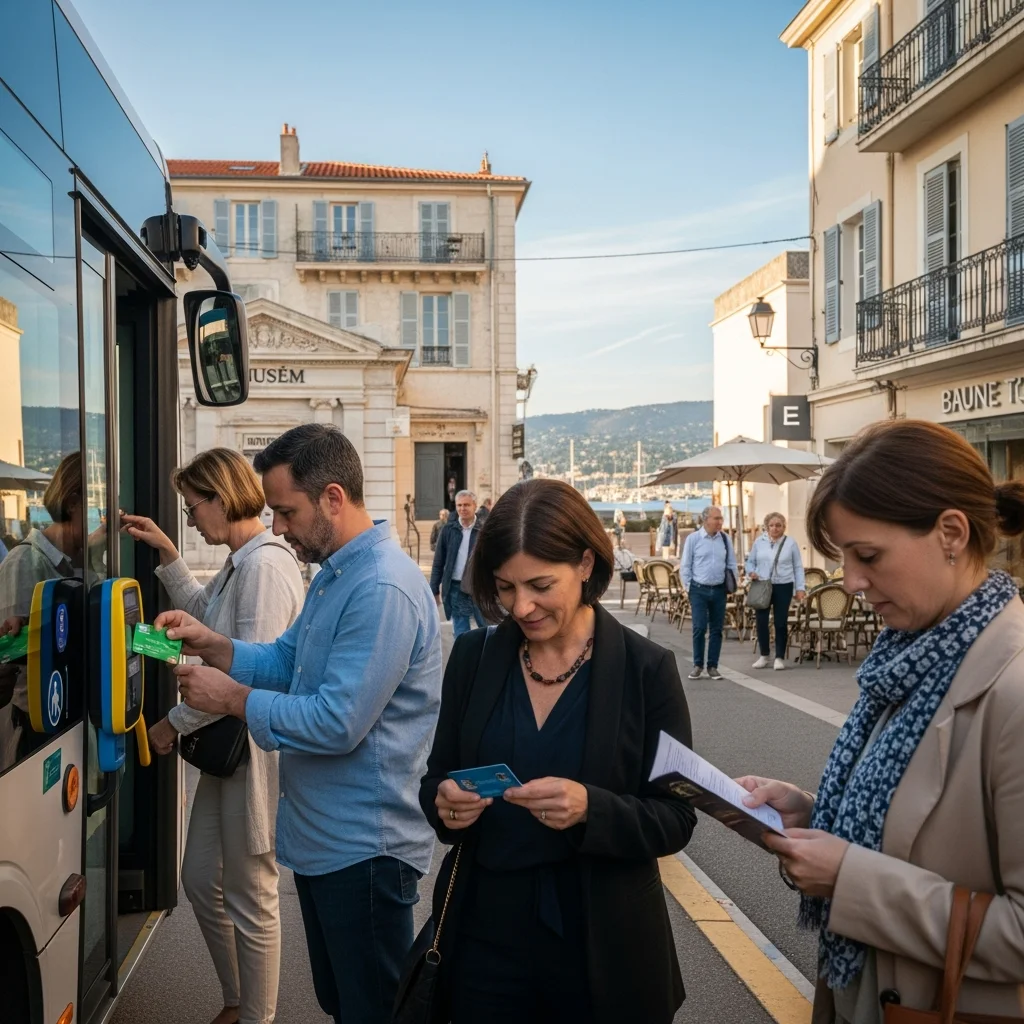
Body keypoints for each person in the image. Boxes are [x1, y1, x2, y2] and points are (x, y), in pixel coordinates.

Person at [152, 424, 441, 1024]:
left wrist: (233, 699)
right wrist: (216, 644)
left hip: (365, 848)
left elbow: (337, 722)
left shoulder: (381, 586)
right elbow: (286, 659)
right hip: (329, 842)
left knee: (369, 1008)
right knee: (345, 1001)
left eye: (286, 511)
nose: (276, 526)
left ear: (333, 498)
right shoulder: (340, 573)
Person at [739, 420, 1024, 1022]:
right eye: (843, 557)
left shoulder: (1013, 686)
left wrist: (850, 879)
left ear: (951, 533)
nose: (853, 580)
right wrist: (815, 813)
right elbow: (916, 835)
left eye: (867, 555)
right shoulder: (914, 655)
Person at [420, 478, 697, 1024]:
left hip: (601, 941)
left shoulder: (646, 670)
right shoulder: (474, 658)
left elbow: (676, 817)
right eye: (503, 588)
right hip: (484, 938)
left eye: (540, 585)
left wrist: (594, 808)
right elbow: (437, 781)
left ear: (586, 564)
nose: (520, 607)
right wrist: (446, 805)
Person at [122, 448, 304, 1024]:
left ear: (220, 500)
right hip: (230, 755)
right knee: (202, 878)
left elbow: (241, 672)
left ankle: (255, 1014)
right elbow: (208, 624)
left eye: (192, 506)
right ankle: (236, 1000)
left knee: (253, 895)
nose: (191, 516)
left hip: (248, 754)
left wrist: (169, 726)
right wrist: (170, 555)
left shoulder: (264, 566)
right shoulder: (241, 560)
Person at [0, 452, 84, 769]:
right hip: (39, 727)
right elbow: (16, 663)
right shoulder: (25, 562)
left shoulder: (76, 562)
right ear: (74, 503)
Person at [680, 505, 737, 681]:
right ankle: (698, 665)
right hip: (698, 589)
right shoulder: (694, 539)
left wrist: (733, 585)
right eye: (717, 518)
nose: (720, 522)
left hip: (719, 589)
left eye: (721, 518)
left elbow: (732, 564)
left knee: (716, 629)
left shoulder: (726, 539)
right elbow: (685, 565)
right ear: (706, 520)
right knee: (699, 627)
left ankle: (713, 666)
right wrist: (689, 588)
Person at [745, 512, 806, 672]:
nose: (775, 528)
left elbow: (798, 567)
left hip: (784, 585)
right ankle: (764, 655)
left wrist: (800, 588)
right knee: (761, 620)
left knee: (780, 622)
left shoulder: (790, 543)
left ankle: (779, 657)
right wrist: (751, 571)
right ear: (766, 527)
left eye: (778, 525)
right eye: (771, 525)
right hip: (763, 584)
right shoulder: (759, 542)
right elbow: (750, 561)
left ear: (783, 527)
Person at [430, 489, 485, 638]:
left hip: (479, 587)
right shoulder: (448, 530)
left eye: (466, 505)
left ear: (475, 506)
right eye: (459, 505)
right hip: (456, 587)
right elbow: (438, 562)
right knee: (461, 630)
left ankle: (487, 658)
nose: (462, 508)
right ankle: (463, 659)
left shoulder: (484, 530)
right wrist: (434, 588)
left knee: (486, 626)